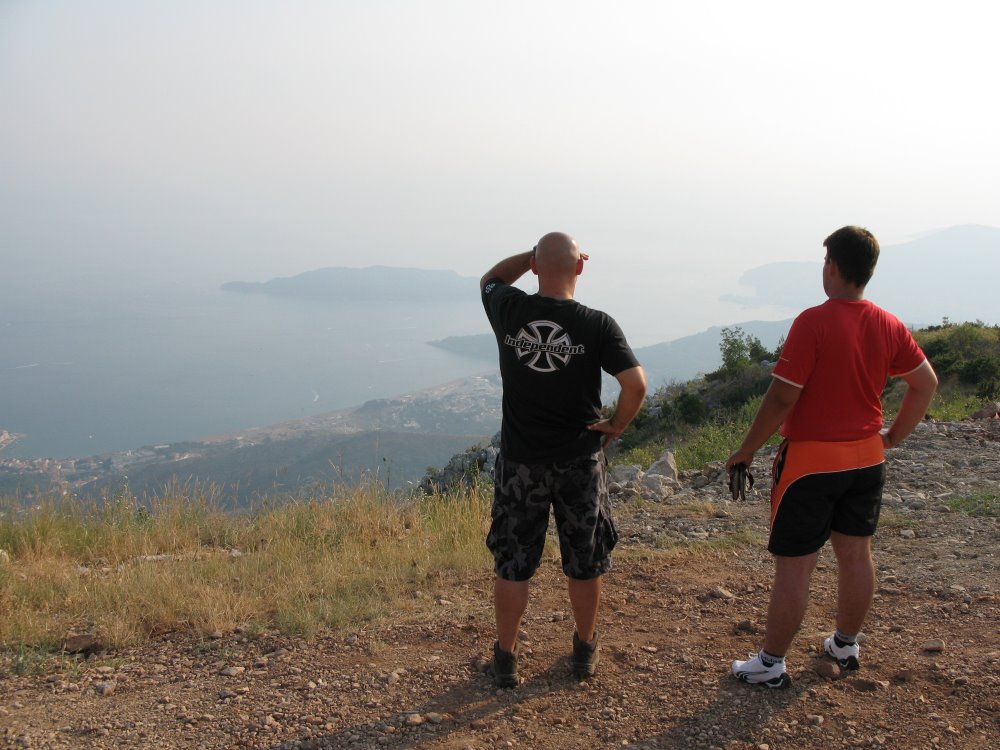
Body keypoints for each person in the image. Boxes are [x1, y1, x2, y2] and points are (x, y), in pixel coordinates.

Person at [727, 225, 938, 688]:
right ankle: (845, 644)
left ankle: (770, 662)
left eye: (825, 262)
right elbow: (926, 383)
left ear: (834, 266)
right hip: (867, 460)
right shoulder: (888, 322)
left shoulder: (813, 322)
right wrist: (894, 436)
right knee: (856, 555)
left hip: (810, 466)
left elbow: (783, 397)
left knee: (797, 565)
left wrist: (747, 449)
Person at [480, 231, 647, 687]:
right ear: (580, 268)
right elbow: (635, 385)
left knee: (514, 563)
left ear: (535, 266)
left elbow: (491, 278)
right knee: (584, 559)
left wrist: (532, 257)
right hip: (580, 462)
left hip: (521, 464)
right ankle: (584, 648)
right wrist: (615, 425)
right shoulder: (598, 324)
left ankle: (507, 657)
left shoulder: (510, 310)